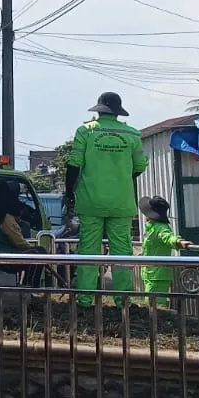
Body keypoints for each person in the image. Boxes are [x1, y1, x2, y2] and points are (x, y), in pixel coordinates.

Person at [65, 91, 148, 308]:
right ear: (118, 112)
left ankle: (85, 300)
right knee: (122, 251)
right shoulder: (132, 134)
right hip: (121, 202)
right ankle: (123, 301)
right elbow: (139, 167)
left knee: (88, 250)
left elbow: (73, 164)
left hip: (90, 201)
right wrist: (121, 178)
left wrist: (69, 193)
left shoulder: (85, 131)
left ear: (99, 110)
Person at [0, 179, 47, 285]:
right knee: (39, 253)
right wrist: (31, 248)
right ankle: (31, 288)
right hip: (3, 257)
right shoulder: (4, 217)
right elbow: (19, 242)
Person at [139, 196, 192, 297]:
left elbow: (168, 237)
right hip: (150, 273)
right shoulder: (152, 227)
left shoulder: (160, 228)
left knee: (156, 304)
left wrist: (178, 242)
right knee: (151, 302)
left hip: (158, 275)